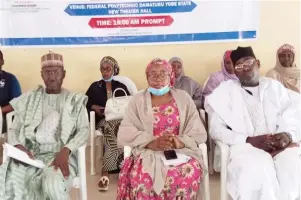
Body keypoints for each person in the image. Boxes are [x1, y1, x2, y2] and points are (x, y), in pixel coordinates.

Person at [205, 46, 301, 200]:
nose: (245, 67)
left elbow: (293, 116)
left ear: (258, 63)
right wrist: (248, 140)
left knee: (291, 165)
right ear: (235, 72)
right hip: (246, 148)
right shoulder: (225, 93)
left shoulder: (274, 87)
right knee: (259, 169)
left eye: (248, 62)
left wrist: (287, 135)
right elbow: (216, 130)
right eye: (239, 66)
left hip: (279, 145)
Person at [0, 50, 89, 200]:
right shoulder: (30, 98)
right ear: (42, 75)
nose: (52, 76)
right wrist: (17, 146)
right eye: (47, 72)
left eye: (56, 72)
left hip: (60, 156)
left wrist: (66, 150)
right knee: (10, 180)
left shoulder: (75, 100)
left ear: (64, 74)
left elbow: (84, 130)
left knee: (52, 184)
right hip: (31, 154)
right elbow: (14, 129)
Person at [116, 58, 207, 200]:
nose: (158, 78)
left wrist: (180, 142)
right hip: (147, 152)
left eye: (163, 74)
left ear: (171, 76)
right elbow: (125, 132)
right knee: (144, 176)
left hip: (180, 151)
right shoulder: (137, 100)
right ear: (147, 78)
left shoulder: (184, 98)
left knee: (186, 172)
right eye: (153, 74)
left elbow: (197, 131)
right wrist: (151, 142)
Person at [85, 56, 130, 191]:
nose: (105, 72)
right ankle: (110, 170)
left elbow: (129, 104)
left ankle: (112, 169)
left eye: (108, 68)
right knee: (110, 127)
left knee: (120, 128)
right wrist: (93, 107)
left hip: (121, 120)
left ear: (114, 69)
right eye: (102, 69)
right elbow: (85, 102)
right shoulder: (94, 86)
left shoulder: (121, 86)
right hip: (103, 120)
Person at [0, 50, 22, 132]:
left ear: (2, 61)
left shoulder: (10, 79)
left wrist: (0, 111)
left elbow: (18, 103)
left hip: (3, 117)